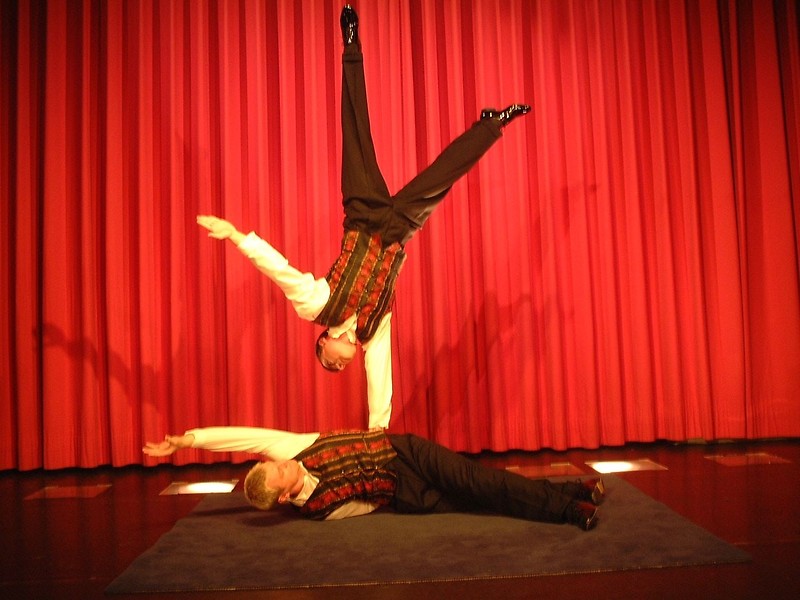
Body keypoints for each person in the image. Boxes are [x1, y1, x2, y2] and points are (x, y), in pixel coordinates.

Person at [196, 5, 530, 429]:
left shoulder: (317, 306)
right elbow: (380, 380)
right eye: (340, 369)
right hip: (399, 231)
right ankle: (491, 124)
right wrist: (377, 432)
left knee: (355, 134)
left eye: (331, 364)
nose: (340, 367)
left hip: (362, 214)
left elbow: (279, 271)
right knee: (443, 178)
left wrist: (237, 236)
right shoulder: (373, 330)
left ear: (325, 343)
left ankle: (350, 45)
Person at [143, 426, 604, 530]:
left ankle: (569, 510)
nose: (283, 464)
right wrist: (398, 495)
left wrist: (188, 440)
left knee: (483, 483)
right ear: (284, 498)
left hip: (405, 451)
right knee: (482, 498)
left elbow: (242, 435)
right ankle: (572, 489)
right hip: (405, 493)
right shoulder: (319, 510)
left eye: (274, 463)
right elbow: (365, 505)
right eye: (280, 472)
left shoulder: (295, 448)